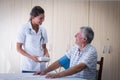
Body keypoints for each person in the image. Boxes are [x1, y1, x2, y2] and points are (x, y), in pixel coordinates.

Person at [17, 6, 49, 73]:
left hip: (41, 67)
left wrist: (47, 54)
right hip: (29, 66)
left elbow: (44, 47)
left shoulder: (43, 30)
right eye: (40, 18)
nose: (43, 20)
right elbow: (18, 48)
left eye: (44, 18)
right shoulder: (24, 28)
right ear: (33, 17)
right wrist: (32, 57)